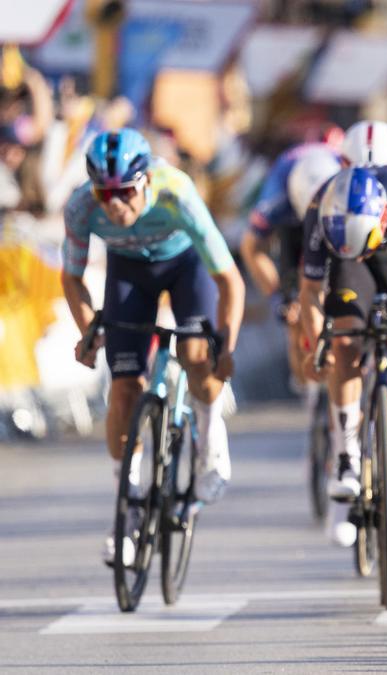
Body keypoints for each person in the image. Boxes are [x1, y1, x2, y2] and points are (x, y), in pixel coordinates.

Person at [62, 128, 245, 564]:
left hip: (187, 267)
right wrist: (89, 328)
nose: (114, 203)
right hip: (129, 272)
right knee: (123, 389)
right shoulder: (81, 206)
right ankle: (126, 508)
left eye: (124, 191)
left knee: (199, 355)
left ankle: (208, 435)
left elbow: (229, 280)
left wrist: (228, 346)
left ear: (144, 181)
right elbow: (71, 276)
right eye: (104, 194)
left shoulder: (177, 193)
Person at [296, 121, 387, 550]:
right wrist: (319, 339)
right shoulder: (323, 203)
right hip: (350, 253)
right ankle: (346, 459)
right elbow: (309, 289)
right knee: (344, 342)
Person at [238, 135, 342, 401]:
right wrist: (277, 296)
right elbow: (251, 249)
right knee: (294, 307)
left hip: (334, 211)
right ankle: (305, 381)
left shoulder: (342, 176)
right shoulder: (276, 198)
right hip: (293, 223)